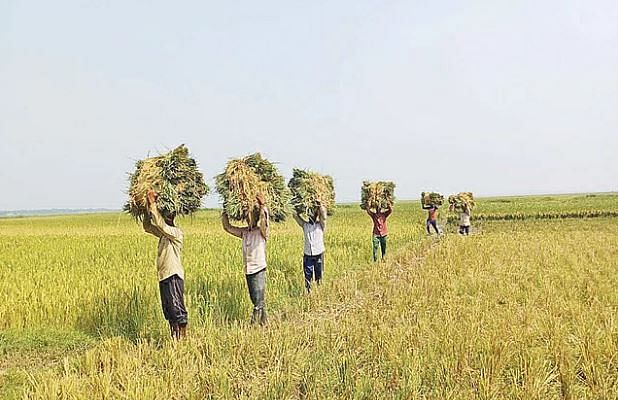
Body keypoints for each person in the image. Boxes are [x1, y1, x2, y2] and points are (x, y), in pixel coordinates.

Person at [142, 189, 188, 340]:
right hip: (163, 276)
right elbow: (148, 227)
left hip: (173, 275)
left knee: (177, 310)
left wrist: (153, 204)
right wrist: (146, 208)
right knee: (168, 311)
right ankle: (174, 339)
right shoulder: (163, 235)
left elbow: (160, 225)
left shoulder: (175, 233)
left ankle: (183, 340)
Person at [221, 194, 270, 325]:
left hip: (258, 269)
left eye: (251, 216)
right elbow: (228, 228)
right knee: (257, 300)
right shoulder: (245, 233)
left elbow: (265, 221)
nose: (249, 219)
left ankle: (252, 327)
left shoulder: (262, 232)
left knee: (257, 303)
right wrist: (225, 211)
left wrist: (263, 206)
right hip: (248, 270)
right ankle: (265, 324)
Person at [293, 201, 327, 293]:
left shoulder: (320, 225)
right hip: (308, 255)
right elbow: (295, 216)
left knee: (319, 275)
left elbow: (324, 215)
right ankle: (309, 293)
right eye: (310, 213)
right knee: (307, 276)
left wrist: (320, 205)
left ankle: (319, 292)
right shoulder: (305, 225)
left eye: (313, 213)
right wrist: (298, 206)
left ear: (316, 214)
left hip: (319, 254)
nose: (311, 215)